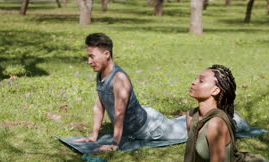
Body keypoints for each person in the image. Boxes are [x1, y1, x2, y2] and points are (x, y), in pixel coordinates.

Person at [75, 33, 251, 152]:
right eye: (88, 56)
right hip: (143, 117)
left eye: (92, 56)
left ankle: (233, 119)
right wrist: (93, 135)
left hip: (151, 128)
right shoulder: (101, 74)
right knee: (182, 123)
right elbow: (99, 106)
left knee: (189, 129)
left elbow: (119, 113)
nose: (89, 61)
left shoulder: (119, 79)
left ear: (106, 54)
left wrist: (115, 142)